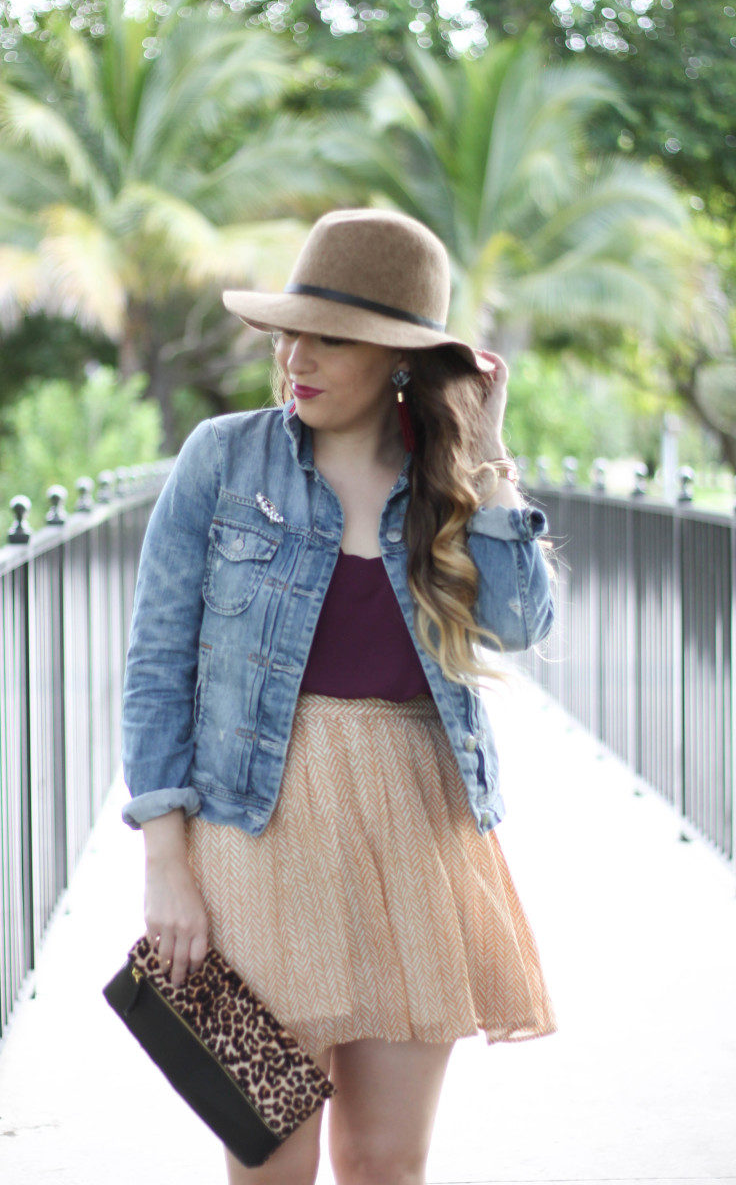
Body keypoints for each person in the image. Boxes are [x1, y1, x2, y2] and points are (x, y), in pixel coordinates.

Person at [121, 208, 557, 1185]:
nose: (295, 357)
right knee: (266, 1156)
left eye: (330, 337)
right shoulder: (223, 460)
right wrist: (165, 860)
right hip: (253, 830)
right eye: (289, 331)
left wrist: (486, 462)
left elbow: (523, 625)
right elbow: (155, 668)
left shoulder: (446, 483)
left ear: (399, 357)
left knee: (385, 1164)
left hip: (414, 831)